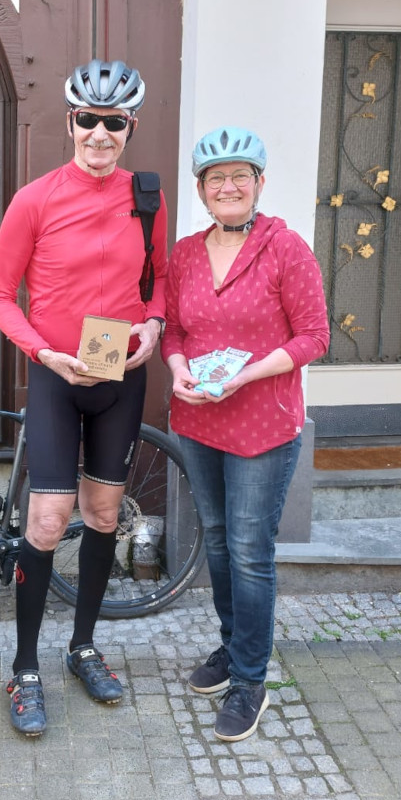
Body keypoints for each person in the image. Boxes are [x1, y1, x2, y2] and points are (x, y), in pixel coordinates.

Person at [0, 59, 168, 736]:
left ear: (129, 127)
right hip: (59, 377)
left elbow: (159, 282)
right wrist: (42, 352)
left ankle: (82, 646)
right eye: (87, 120)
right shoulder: (35, 198)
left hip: (120, 379)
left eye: (112, 122)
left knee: (101, 515)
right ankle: (24, 667)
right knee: (46, 523)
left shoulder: (146, 196)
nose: (98, 132)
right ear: (70, 123)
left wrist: (152, 322)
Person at [161, 127, 329, 742]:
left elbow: (314, 337)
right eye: (215, 179)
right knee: (217, 540)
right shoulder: (185, 253)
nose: (227, 187)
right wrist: (178, 369)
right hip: (201, 418)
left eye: (239, 176)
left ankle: (251, 679)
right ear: (202, 191)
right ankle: (233, 649)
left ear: (258, 184)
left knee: (250, 552)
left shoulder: (286, 249)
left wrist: (247, 375)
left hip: (262, 423)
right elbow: (175, 330)